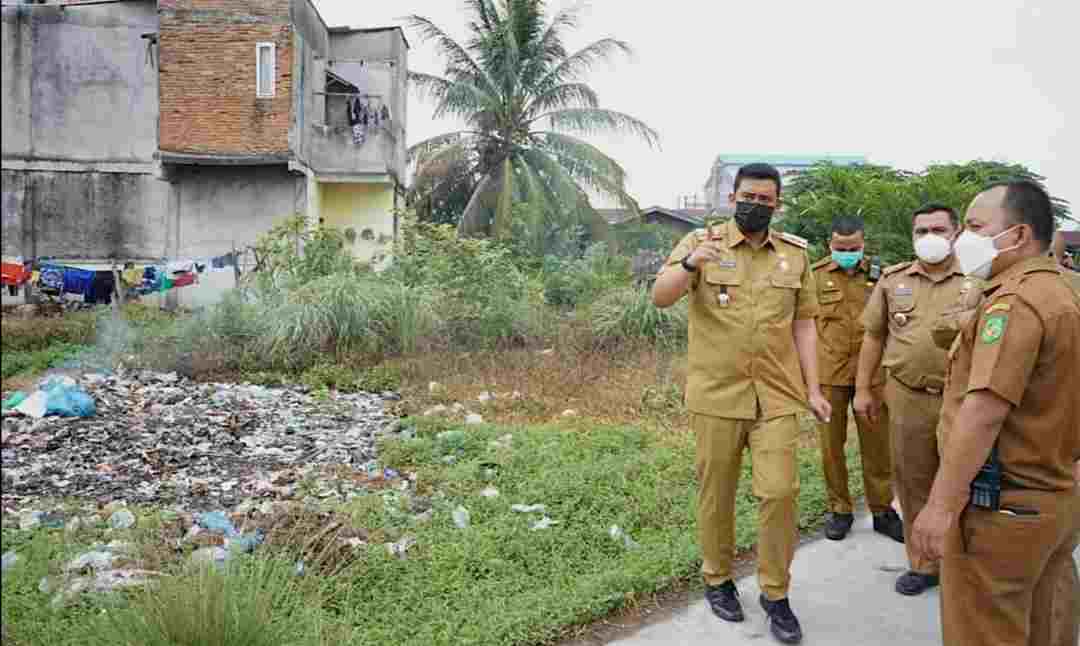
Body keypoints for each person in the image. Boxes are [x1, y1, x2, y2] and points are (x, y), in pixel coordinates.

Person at [652, 162, 830, 645]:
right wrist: (693, 264)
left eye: (766, 199)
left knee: (780, 492)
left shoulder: (795, 256)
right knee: (718, 494)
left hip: (778, 395)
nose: (756, 205)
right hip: (716, 394)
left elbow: (805, 324)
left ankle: (776, 592)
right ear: (732, 198)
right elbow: (660, 296)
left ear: (777, 204)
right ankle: (718, 579)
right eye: (748, 196)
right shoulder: (700, 243)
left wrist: (814, 389)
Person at [911, 180, 1079, 646]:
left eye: (975, 226)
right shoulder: (1065, 293)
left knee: (984, 631)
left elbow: (983, 409)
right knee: (1042, 627)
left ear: (1019, 235)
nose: (961, 238)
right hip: (1053, 501)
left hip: (1002, 509)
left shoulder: (1015, 302)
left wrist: (941, 505)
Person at [854, 203, 981, 596]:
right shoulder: (893, 281)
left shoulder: (979, 279)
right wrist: (862, 389)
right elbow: (874, 336)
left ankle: (964, 565)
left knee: (966, 481)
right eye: (921, 231)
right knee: (912, 481)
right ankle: (923, 564)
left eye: (938, 229)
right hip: (907, 396)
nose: (929, 238)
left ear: (956, 233)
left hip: (963, 399)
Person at [811, 216, 904, 542]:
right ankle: (840, 510)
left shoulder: (883, 276)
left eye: (853, 248)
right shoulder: (815, 277)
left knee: (878, 447)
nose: (847, 253)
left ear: (863, 244)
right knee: (830, 447)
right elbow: (804, 326)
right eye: (840, 247)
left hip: (873, 375)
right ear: (830, 245)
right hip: (829, 376)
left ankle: (882, 511)